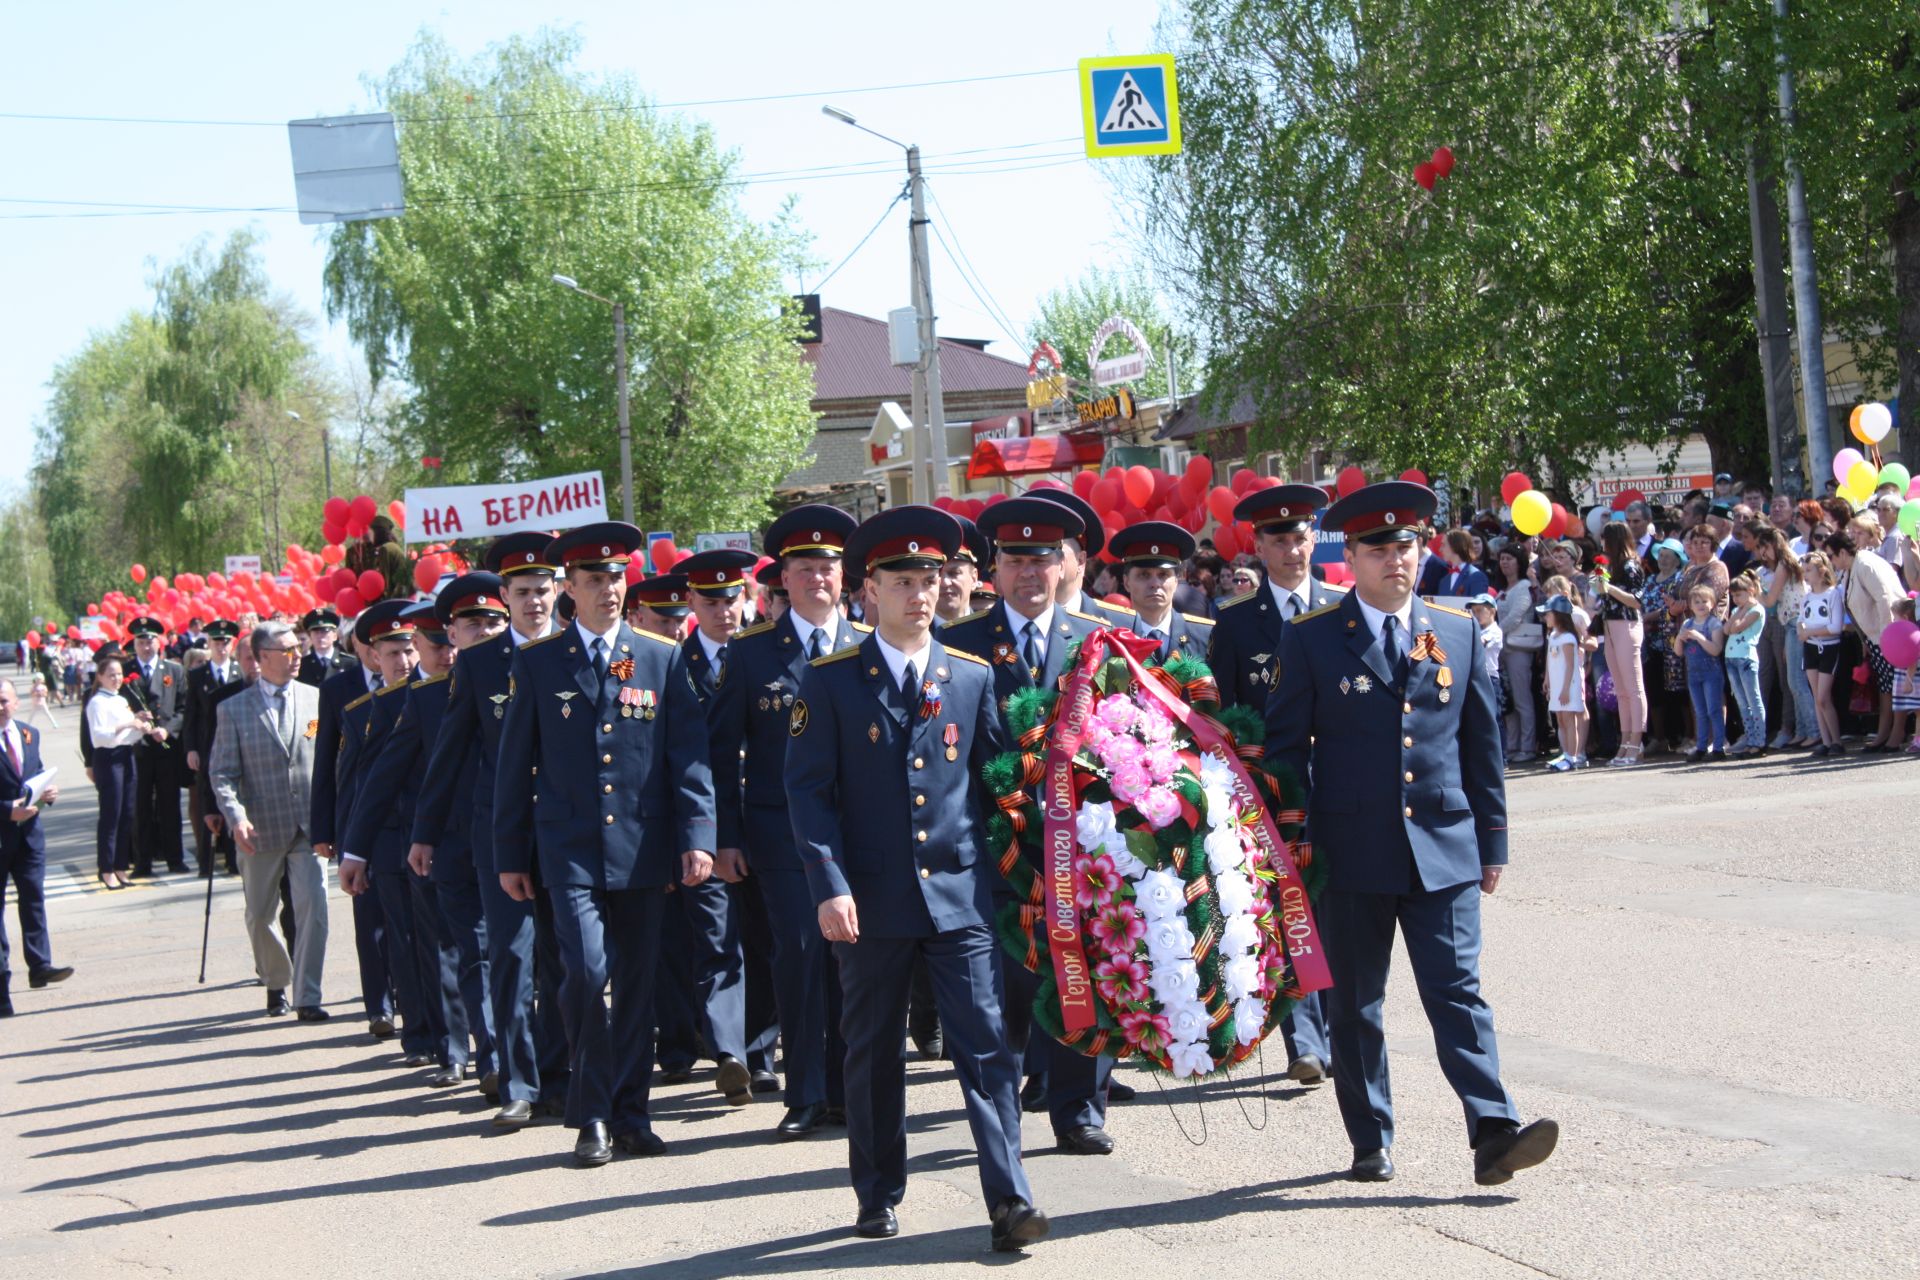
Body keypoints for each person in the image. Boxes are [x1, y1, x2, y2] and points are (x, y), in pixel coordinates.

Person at [1266, 480, 1557, 1187]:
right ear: (1351, 559)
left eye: (1407, 545)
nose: (1396, 559)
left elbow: (1480, 744)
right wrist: (1293, 845)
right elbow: (1282, 752)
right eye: (1379, 548)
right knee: (1357, 1002)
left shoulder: (1453, 630)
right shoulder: (1311, 639)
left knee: (1457, 991)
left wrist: (1492, 842)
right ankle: (1371, 1138)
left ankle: (1493, 1129)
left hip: (1444, 846)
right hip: (1350, 852)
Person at [786, 504, 1050, 1252]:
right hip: (869, 901)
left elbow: (1000, 783)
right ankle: (877, 1190)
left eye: (930, 578)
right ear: (869, 590)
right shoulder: (832, 680)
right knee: (873, 1051)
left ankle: (1011, 1198)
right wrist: (829, 883)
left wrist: (1049, 843)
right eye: (903, 580)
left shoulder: (968, 676)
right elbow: (808, 791)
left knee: (987, 1048)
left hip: (959, 897)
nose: (921, 594)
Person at [493, 522, 717, 1167]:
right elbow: (515, 764)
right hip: (568, 850)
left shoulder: (660, 656)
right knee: (587, 974)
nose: (609, 590)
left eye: (616, 577)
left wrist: (697, 837)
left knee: (639, 985)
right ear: (570, 588)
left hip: (643, 848)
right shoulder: (538, 662)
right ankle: (589, 1114)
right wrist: (511, 854)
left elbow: (689, 758)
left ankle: (631, 1114)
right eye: (594, 580)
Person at [943, 498, 1113, 1151]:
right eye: (1015, 559)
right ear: (995, 567)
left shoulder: (1097, 641)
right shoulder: (959, 646)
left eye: (1043, 558)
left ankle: (1078, 1109)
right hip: (992, 847)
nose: (1030, 572)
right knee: (1000, 990)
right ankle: (1001, 1113)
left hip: (1082, 848)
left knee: (1080, 975)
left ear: (1064, 563)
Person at [708, 504, 866, 1139]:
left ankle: (850, 1091)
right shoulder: (751, 656)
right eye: (805, 569)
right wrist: (723, 836)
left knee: (854, 967)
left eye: (828, 567)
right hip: (780, 836)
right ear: (783, 580)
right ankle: (805, 1093)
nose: (818, 579)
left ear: (845, 577)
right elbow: (718, 751)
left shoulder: (866, 644)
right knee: (800, 959)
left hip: (859, 835)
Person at [414, 539, 572, 1128]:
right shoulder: (480, 663)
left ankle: (558, 1073)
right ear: (505, 598)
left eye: (542, 590)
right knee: (509, 957)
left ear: (558, 592)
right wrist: (425, 831)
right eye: (522, 593)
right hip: (497, 832)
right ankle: (518, 1079)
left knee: (563, 959)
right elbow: (450, 751)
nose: (534, 602)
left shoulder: (572, 652)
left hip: (563, 830)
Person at [661, 547, 770, 1107]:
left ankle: (763, 1051)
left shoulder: (766, 651)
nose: (725, 610)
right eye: (712, 600)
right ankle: (730, 1051)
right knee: (717, 938)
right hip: (707, 826)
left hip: (770, 819)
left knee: (767, 936)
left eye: (734, 598)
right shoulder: (673, 662)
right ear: (691, 604)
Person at [208, 622, 331, 1021]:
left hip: (309, 826)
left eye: (298, 648)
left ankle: (308, 996)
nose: (297, 656)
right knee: (260, 914)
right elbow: (222, 773)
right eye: (286, 650)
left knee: (315, 906)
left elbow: (330, 761)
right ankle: (277, 980)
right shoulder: (233, 709)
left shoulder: (316, 699)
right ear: (262, 659)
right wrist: (236, 817)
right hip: (259, 826)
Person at [1211, 484, 1349, 716]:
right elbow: (1220, 707)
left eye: (1299, 539)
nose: (1293, 551)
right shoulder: (1234, 619)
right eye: (1280, 541)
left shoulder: (1344, 606)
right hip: (1267, 749)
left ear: (1313, 541)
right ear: (1259, 548)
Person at [2, 679, 71, 1016]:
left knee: (33, 900)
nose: (0, 707)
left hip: (29, 834)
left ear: (17, 702)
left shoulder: (29, 733)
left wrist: (47, 793)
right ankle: (1, 985)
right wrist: (6, 810)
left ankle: (40, 965)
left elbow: (36, 772)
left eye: (4, 700)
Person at [122, 617, 188, 878]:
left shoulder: (174, 670)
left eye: (150, 640)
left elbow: (184, 708)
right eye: (141, 641)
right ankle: (142, 862)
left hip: (166, 749)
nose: (146, 646)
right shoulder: (125, 673)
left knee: (170, 804)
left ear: (158, 642)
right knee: (141, 807)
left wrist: (169, 729)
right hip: (138, 750)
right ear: (134, 644)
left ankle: (175, 858)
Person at [1834, 523, 1907, 752]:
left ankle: (1897, 734)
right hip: (1874, 638)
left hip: (1891, 635)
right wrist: (1866, 639)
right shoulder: (1851, 568)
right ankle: (1884, 733)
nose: (1831, 562)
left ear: (1843, 553)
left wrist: (1887, 636)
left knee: (1897, 685)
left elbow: (1884, 597)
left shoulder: (1865, 564)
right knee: (1885, 686)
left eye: (1832, 556)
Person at [85, 650, 150, 888]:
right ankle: (106, 867)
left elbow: (128, 736)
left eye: (119, 675)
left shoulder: (121, 699)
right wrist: (127, 723)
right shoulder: (97, 702)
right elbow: (99, 737)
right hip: (108, 757)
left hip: (125, 754)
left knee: (127, 813)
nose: (116, 679)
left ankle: (121, 865)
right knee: (111, 814)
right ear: (100, 677)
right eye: (111, 675)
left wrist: (140, 725)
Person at [182, 620, 241, 875]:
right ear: (209, 644)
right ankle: (206, 862)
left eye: (226, 641)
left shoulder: (239, 672)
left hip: (235, 742)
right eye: (216, 641)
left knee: (233, 797)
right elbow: (191, 717)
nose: (221, 646)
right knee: (208, 800)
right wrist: (191, 749)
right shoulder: (198, 675)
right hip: (208, 744)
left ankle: (232, 857)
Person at [1108, 521, 1213, 661]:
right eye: (1144, 575)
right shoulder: (1111, 638)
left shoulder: (1204, 636)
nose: (1155, 584)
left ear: (1176, 582)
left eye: (1163, 575)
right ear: (1127, 582)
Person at [1595, 523, 1647, 766]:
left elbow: (1636, 600)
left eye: (1605, 538)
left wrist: (1609, 588)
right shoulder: (1611, 566)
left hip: (1626, 625)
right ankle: (1625, 742)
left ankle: (1636, 742)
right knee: (1622, 690)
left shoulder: (1631, 565)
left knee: (1634, 687)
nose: (1602, 542)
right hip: (1610, 626)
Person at [1494, 546, 1543, 764]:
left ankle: (1528, 746)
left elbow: (1516, 615)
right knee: (1509, 702)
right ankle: (1512, 746)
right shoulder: (1503, 588)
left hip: (1519, 649)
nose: (1505, 563)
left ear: (1519, 562)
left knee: (1523, 699)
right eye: (1502, 559)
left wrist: (1493, 632)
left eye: (1509, 559)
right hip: (1502, 650)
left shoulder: (1523, 586)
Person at [1797, 552, 1846, 756]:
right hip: (1810, 649)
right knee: (1817, 696)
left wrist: (1809, 632)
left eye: (1809, 570)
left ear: (1822, 570)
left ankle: (1837, 741)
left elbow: (1835, 627)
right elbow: (1801, 618)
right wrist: (1801, 630)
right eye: (1804, 571)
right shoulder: (1807, 597)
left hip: (1828, 648)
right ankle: (1826, 742)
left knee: (1824, 696)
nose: (1806, 574)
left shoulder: (1833, 594)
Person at [1676, 585, 1727, 762]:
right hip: (1693, 674)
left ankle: (1719, 746)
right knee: (1700, 711)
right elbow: (1678, 652)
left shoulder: (1714, 623)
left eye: (1704, 601)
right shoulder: (1687, 624)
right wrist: (1679, 638)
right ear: (1690, 605)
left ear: (1712, 604)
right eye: (1696, 602)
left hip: (1711, 672)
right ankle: (1701, 746)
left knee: (1714, 709)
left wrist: (1699, 637)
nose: (1700, 605)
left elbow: (1716, 650)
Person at [1539, 595, 1588, 772]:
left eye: (1548, 614)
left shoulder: (1568, 638)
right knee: (1560, 719)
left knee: (1569, 720)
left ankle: (1572, 757)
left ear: (1558, 615)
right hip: (1557, 684)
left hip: (1567, 685)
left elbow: (1570, 665)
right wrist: (1547, 679)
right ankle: (1565, 752)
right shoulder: (1553, 635)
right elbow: (1550, 659)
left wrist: (1566, 689)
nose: (1545, 618)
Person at [1722, 574, 1768, 758]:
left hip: (1746, 658)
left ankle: (1759, 741)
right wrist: (1738, 611)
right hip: (1731, 658)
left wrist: (1740, 613)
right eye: (1733, 596)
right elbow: (1726, 630)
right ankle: (1749, 738)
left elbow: (1737, 628)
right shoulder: (1737, 611)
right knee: (1742, 702)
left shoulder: (1757, 610)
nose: (1735, 599)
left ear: (1750, 592)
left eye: (1739, 595)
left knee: (1753, 700)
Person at [933, 515, 987, 628]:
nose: (944, 582)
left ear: (974, 578)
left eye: (954, 573)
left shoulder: (997, 636)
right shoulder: (909, 640)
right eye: (936, 574)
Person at [296, 607, 360, 687]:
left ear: (335, 635)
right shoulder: (302, 665)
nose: (320, 636)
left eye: (324, 632)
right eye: (316, 632)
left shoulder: (350, 663)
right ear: (310, 636)